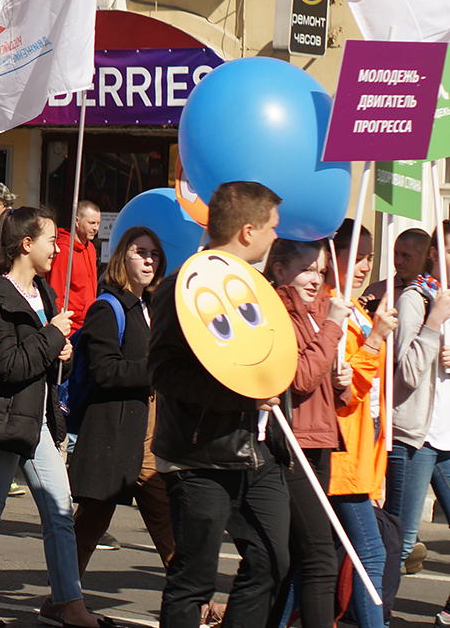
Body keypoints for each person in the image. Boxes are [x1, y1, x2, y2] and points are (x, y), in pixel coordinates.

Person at [0, 205, 104, 628]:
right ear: (26, 244)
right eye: (51, 240)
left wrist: (62, 352)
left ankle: (71, 605)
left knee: (60, 511)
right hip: (0, 421)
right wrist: (53, 336)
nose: (58, 248)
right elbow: (9, 366)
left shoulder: (45, 294)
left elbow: (40, 361)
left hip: (37, 421)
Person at [149, 181, 291, 628]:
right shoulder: (180, 287)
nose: (276, 236)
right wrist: (242, 395)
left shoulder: (258, 287)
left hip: (258, 452)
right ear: (248, 231)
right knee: (194, 580)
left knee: (273, 558)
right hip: (200, 455)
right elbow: (163, 372)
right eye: (272, 227)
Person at [67, 226, 171, 578]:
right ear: (122, 258)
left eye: (154, 254)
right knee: (89, 527)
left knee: (169, 525)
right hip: (115, 434)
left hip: (150, 438)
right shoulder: (107, 307)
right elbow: (105, 371)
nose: (149, 260)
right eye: (141, 252)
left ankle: (193, 599)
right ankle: (63, 596)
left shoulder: (151, 308)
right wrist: (155, 368)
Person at [263, 238, 350, 628]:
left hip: (320, 440)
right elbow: (299, 378)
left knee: (292, 558)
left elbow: (328, 388)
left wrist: (342, 381)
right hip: (292, 442)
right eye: (307, 269)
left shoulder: (318, 311)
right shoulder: (277, 311)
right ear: (280, 270)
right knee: (320, 557)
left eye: (321, 271)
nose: (316, 279)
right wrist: (332, 327)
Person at [325, 220, 397, 628]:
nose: (365, 266)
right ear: (333, 256)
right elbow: (346, 391)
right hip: (341, 451)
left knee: (313, 561)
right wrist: (374, 340)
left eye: (370, 257)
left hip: (362, 448)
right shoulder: (331, 310)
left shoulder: (356, 308)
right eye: (358, 256)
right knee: (371, 551)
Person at [383, 226, 450, 576]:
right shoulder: (415, 298)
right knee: (400, 541)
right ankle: (367, 604)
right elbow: (407, 372)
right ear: (436, 254)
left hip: (447, 437)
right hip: (416, 438)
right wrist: (434, 323)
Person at [50, 200, 101, 327]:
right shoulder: (63, 250)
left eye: (98, 223)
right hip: (69, 325)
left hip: (88, 322)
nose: (96, 228)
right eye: (91, 223)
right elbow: (56, 291)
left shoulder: (91, 248)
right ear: (77, 221)